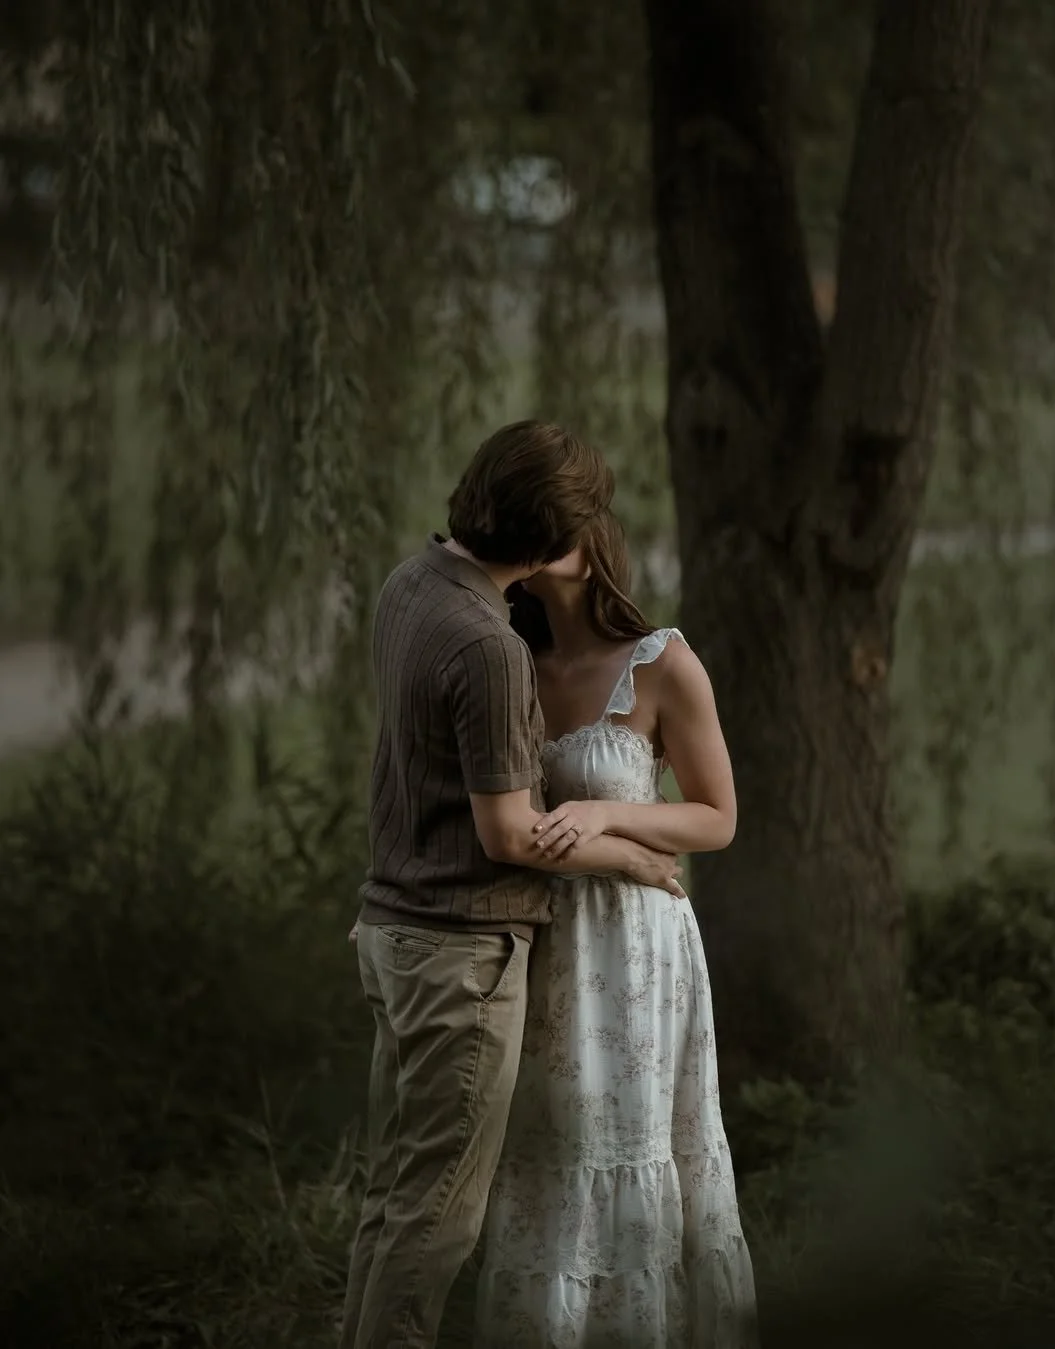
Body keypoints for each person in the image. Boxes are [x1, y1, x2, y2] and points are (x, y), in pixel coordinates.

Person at [339, 423, 687, 1349]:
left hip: (393, 930)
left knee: (395, 1197)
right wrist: (634, 855)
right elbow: (507, 831)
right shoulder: (491, 648)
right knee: (436, 1219)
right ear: (543, 548)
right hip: (459, 954)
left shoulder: (411, 584)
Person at [474, 507, 758, 1349]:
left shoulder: (662, 661)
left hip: (639, 949)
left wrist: (602, 810)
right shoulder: (509, 663)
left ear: (597, 538)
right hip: (546, 937)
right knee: (554, 1144)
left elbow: (718, 819)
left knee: (637, 1145)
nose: (543, 538)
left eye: (559, 522)